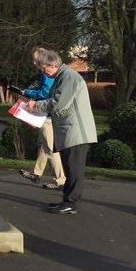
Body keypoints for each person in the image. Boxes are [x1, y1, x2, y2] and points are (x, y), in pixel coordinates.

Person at [27, 49, 98, 214]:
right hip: (71, 130)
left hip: (76, 131)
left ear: (52, 64)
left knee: (74, 169)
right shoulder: (63, 77)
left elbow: (59, 103)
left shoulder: (68, 77)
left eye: (44, 69)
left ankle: (71, 203)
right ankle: (67, 201)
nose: (44, 72)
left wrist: (36, 105)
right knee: (70, 168)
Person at [17, 47, 65, 190]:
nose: (34, 63)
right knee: (45, 145)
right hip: (49, 114)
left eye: (36, 60)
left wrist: (26, 92)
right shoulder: (52, 72)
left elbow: (44, 92)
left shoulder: (46, 73)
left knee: (50, 148)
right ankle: (36, 173)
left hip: (47, 115)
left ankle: (61, 180)